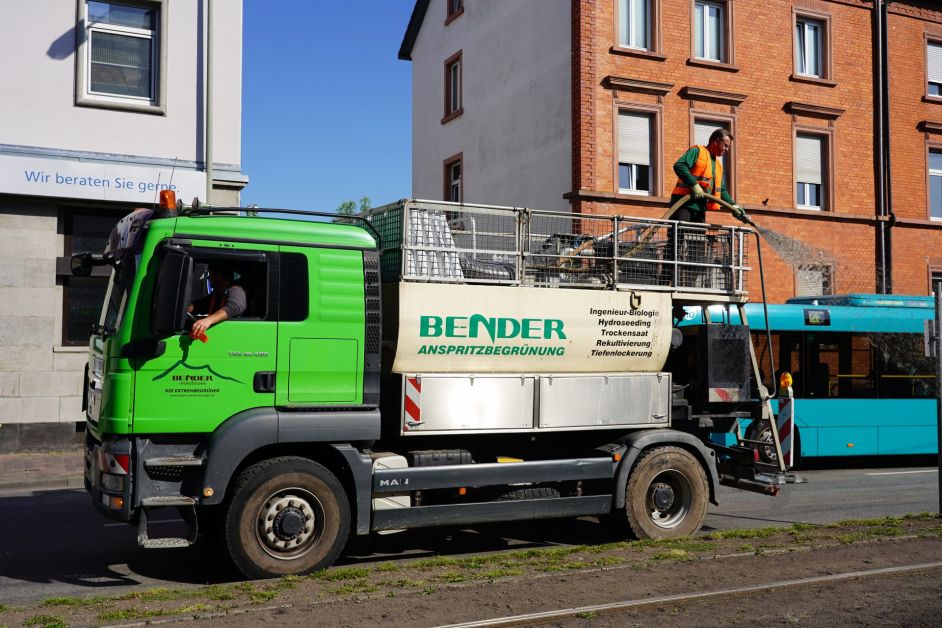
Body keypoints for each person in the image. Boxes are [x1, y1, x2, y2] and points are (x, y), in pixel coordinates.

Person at [670, 128, 748, 224]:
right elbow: (679, 166)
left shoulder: (718, 165)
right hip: (682, 204)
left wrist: (734, 206)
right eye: (725, 145)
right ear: (716, 142)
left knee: (699, 234)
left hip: (699, 209)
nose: (727, 149)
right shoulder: (697, 151)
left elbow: (721, 190)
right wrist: (694, 185)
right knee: (679, 233)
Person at [188, 265, 247, 338]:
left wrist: (208, 320)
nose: (208, 278)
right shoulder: (218, 294)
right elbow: (199, 305)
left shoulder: (236, 290)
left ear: (218, 275)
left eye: (210, 274)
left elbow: (234, 307)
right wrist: (185, 308)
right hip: (221, 335)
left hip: (234, 336)